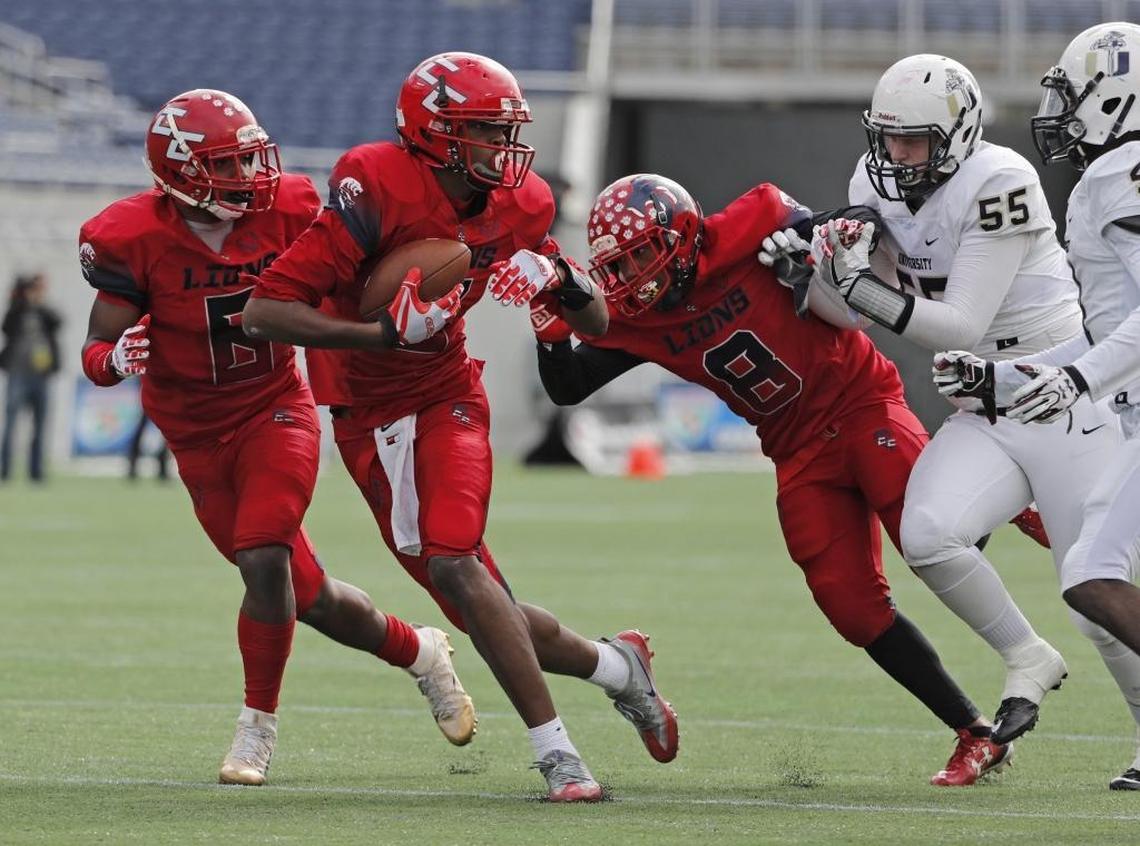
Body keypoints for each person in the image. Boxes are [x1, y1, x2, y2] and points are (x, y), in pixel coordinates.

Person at [240, 53, 678, 802]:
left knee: (454, 564)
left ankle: (560, 758)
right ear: (435, 132)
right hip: (366, 417)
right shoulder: (375, 185)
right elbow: (263, 313)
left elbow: (597, 319)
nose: (503, 151)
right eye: (485, 132)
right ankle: (617, 666)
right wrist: (381, 333)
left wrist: (561, 280)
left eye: (506, 132)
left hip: (449, 395)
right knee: (479, 604)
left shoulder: (524, 204)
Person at [509, 171, 1010, 786]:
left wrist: (808, 242)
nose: (633, 275)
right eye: (619, 264)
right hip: (797, 451)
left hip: (860, 406)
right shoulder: (636, 318)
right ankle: (975, 732)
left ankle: (1016, 483)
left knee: (935, 538)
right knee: (853, 610)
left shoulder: (752, 221)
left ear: (683, 233)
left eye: (642, 253)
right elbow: (567, 386)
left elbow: (855, 224)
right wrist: (551, 332)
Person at [78, 88, 475, 787]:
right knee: (308, 595)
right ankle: (421, 652)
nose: (249, 177)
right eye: (227, 165)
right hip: (196, 438)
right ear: (177, 173)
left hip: (274, 409)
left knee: (264, 557)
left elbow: (351, 274)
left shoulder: (289, 207)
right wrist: (112, 360)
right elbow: (96, 346)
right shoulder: (128, 236)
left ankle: (255, 729)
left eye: (249, 159)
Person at [807, 53, 1129, 746]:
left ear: (958, 132)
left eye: (913, 139)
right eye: (887, 137)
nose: (895, 154)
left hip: (1059, 394)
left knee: (1096, 596)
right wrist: (816, 268)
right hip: (982, 403)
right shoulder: (876, 179)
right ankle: (1025, 654)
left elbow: (960, 325)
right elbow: (850, 314)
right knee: (928, 534)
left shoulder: (1001, 180)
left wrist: (858, 284)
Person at [935, 22, 1140, 790]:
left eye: (1074, 93)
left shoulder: (1121, 174)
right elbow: (1107, 329)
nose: (1059, 110)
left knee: (1090, 573)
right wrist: (1005, 378)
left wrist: (1080, 381)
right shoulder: (1115, 175)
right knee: (1094, 568)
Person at [0, 274, 62, 482]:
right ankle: (5, 469)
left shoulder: (45, 313)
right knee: (11, 423)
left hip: (40, 376)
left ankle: (36, 472)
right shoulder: (17, 310)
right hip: (18, 373)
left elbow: (58, 322)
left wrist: (39, 304)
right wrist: (22, 300)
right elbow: (6, 326)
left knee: (40, 426)